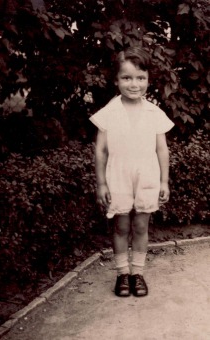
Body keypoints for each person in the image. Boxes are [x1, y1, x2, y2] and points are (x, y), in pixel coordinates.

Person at [89, 47, 174, 297]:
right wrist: (102, 184)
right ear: (116, 80)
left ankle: (138, 273)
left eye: (140, 78)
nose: (133, 84)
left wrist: (164, 182)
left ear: (148, 80)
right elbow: (101, 151)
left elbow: (162, 151)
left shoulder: (154, 112)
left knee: (140, 226)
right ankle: (122, 274)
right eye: (126, 78)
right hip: (119, 176)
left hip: (147, 175)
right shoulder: (109, 112)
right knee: (121, 225)